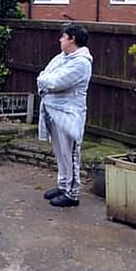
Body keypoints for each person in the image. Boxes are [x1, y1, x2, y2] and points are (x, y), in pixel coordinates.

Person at [37, 23, 93, 207]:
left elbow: (55, 82)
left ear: (72, 39)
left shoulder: (81, 63)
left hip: (70, 115)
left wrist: (44, 81)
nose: (60, 39)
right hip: (53, 111)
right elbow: (45, 75)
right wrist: (44, 80)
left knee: (70, 154)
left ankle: (72, 193)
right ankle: (62, 186)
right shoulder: (62, 57)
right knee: (60, 153)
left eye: (63, 36)